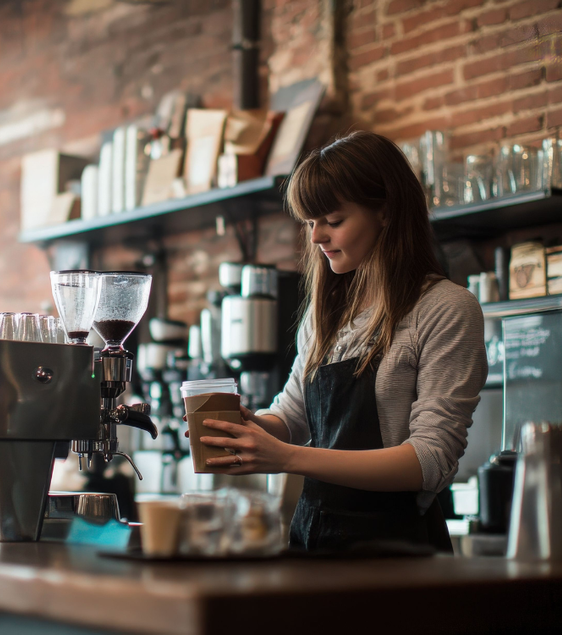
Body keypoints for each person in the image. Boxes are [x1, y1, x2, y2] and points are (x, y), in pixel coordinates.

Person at [198, 131, 487, 553]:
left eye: (333, 221)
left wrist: (286, 458)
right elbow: (292, 416)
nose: (316, 237)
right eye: (310, 223)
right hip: (314, 544)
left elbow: (430, 460)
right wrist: (246, 425)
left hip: (400, 556)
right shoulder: (326, 314)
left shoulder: (445, 308)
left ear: (385, 212)